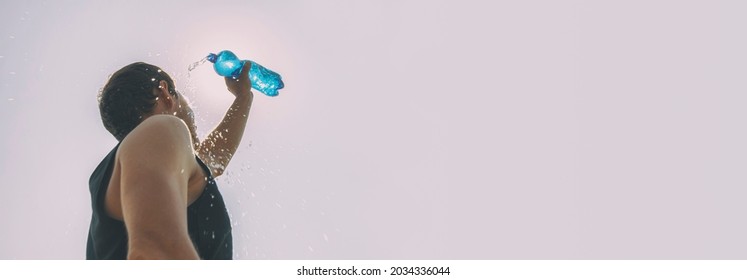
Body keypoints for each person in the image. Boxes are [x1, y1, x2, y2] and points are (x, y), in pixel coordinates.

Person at [87, 61, 254, 259]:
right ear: (165, 93)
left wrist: (243, 97)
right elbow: (154, 248)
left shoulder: (146, 154)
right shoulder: (162, 128)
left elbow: (211, 160)